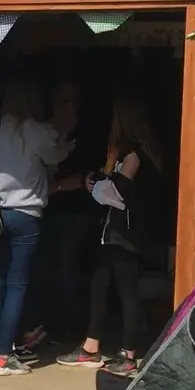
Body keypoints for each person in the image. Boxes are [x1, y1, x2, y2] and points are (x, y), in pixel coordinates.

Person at [0, 83, 72, 377]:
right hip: (25, 216)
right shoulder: (35, 130)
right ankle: (4, 354)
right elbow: (56, 156)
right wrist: (66, 138)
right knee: (17, 285)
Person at [57, 96, 161, 375]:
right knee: (99, 284)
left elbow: (114, 193)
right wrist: (98, 176)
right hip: (112, 232)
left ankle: (128, 354)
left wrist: (104, 172)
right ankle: (91, 347)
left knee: (127, 291)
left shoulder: (134, 156)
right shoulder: (131, 154)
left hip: (124, 234)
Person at [15, 81, 102, 357]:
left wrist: (60, 185)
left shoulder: (85, 135)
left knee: (68, 271)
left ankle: (70, 330)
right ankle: (48, 327)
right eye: (63, 101)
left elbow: (89, 176)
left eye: (73, 102)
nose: (69, 107)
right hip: (46, 210)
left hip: (75, 212)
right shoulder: (42, 132)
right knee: (46, 271)